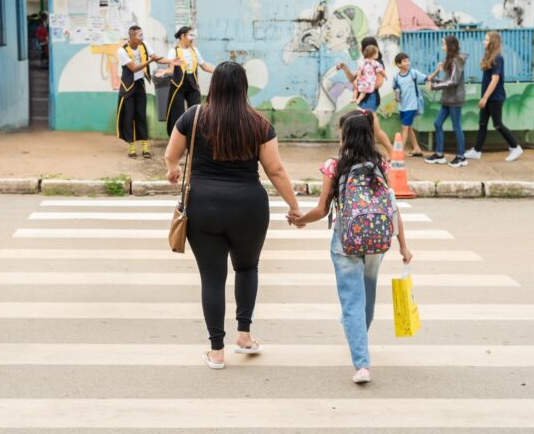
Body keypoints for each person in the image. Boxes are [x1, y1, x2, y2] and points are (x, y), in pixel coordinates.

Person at [164, 61, 302, 370]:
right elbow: (275, 170)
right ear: (243, 87)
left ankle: (216, 351)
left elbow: (171, 154)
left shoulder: (194, 116)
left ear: (213, 86)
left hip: (203, 207)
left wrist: (172, 169)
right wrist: (294, 207)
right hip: (249, 208)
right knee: (247, 268)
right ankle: (244, 335)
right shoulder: (259, 123)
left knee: (212, 278)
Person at [288, 109, 413, 384]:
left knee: (352, 301)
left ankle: (361, 363)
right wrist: (403, 245)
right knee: (366, 296)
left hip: (346, 240)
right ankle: (359, 340)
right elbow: (391, 207)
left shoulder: (335, 165)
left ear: (345, 135)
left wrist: (300, 221)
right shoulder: (381, 163)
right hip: (377, 240)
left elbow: (322, 209)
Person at [116, 25, 176, 159]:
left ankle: (144, 146)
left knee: (141, 115)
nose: (142, 37)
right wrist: (150, 61)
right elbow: (134, 68)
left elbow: (156, 57)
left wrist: (171, 61)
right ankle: (131, 147)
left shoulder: (144, 45)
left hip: (140, 85)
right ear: (132, 37)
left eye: (142, 35)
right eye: (139, 35)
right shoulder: (122, 51)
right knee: (129, 116)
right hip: (128, 87)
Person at [464, 31, 523, 162]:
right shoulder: (489, 57)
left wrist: (484, 98)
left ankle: (515, 147)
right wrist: (484, 97)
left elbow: (495, 80)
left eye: (486, 39)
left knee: (498, 125)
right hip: (488, 97)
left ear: (493, 42)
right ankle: (477, 151)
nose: (483, 42)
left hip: (495, 98)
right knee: (483, 123)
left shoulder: (497, 58)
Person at [336, 36, 394, 157]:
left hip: (371, 99)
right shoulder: (364, 63)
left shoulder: (377, 63)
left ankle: (392, 153)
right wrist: (345, 69)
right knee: (370, 129)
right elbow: (354, 79)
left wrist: (364, 85)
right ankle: (376, 154)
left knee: (374, 129)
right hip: (364, 99)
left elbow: (378, 83)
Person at [155, 27, 215, 135]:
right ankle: (177, 139)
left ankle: (195, 138)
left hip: (192, 85)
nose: (192, 38)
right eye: (190, 35)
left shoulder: (194, 50)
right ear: (182, 36)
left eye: (193, 36)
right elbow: (170, 69)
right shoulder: (173, 51)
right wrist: (164, 72)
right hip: (178, 86)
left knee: (196, 113)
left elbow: (204, 66)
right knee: (177, 115)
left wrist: (218, 71)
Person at [425, 35, 468, 168]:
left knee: (456, 127)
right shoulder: (450, 61)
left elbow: (453, 81)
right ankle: (439, 154)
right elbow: (447, 80)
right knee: (437, 123)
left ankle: (461, 156)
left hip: (454, 99)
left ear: (450, 46)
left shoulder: (456, 61)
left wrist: (434, 86)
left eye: (444, 44)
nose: (442, 46)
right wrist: (435, 81)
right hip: (447, 99)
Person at [392, 52, 428, 157]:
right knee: (409, 127)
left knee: (405, 127)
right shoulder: (396, 77)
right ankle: (417, 148)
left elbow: (427, 78)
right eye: (405, 61)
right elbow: (394, 88)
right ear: (399, 64)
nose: (407, 62)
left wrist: (437, 71)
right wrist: (396, 96)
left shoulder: (413, 73)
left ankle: (400, 152)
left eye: (408, 60)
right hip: (402, 106)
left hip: (412, 106)